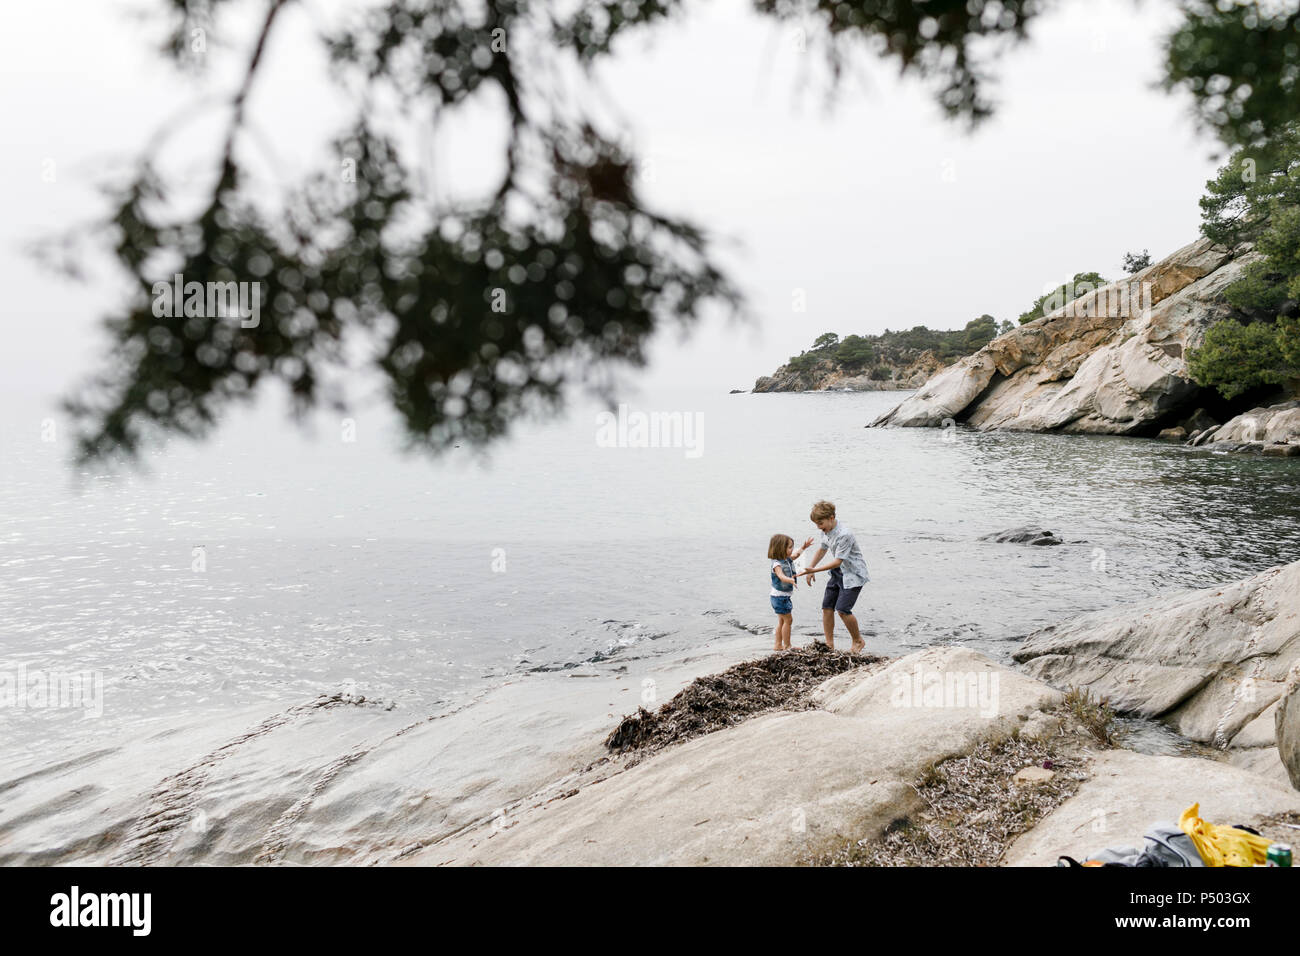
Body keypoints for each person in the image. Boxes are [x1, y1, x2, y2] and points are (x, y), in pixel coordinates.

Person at [800, 500, 869, 653]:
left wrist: (814, 570)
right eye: (816, 524)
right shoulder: (825, 531)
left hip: (853, 575)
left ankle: (858, 641)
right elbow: (822, 549)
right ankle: (829, 644)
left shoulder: (845, 534)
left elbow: (838, 561)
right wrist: (811, 568)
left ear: (831, 518)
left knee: (843, 609)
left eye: (821, 523)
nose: (819, 527)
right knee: (827, 607)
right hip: (837, 573)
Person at [767, 533, 813, 652]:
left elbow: (796, 555)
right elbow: (781, 576)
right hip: (779, 597)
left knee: (782, 621)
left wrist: (804, 547)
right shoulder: (777, 564)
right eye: (789, 547)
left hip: (781, 596)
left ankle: (778, 645)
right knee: (788, 620)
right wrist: (790, 580)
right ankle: (787, 646)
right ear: (780, 548)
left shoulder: (786, 559)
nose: (792, 549)